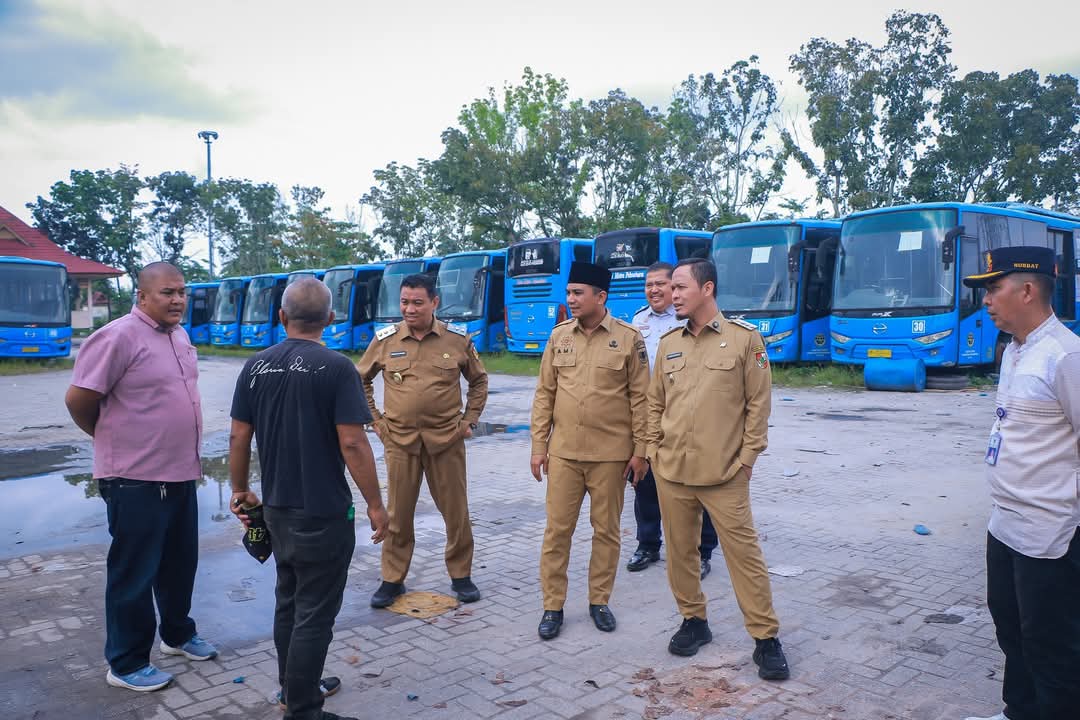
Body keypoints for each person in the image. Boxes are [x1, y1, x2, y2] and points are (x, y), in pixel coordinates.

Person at [228, 278, 389, 720]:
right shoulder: (337, 368)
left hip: (277, 510)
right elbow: (353, 442)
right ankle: (302, 709)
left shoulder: (255, 366)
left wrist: (240, 489)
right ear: (331, 319)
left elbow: (239, 435)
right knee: (315, 613)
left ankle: (292, 688)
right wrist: (376, 504)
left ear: (282, 317)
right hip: (323, 513)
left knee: (290, 600)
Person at [64, 262, 217, 693]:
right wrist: (111, 438)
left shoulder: (179, 336)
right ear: (143, 296)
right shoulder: (117, 337)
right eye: (168, 292)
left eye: (182, 292)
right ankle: (126, 663)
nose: (178, 299)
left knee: (179, 564)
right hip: (134, 478)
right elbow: (78, 400)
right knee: (134, 573)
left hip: (180, 472)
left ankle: (177, 635)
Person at [647, 258, 789, 680]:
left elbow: (758, 405)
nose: (671, 295)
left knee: (744, 556)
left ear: (707, 289)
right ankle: (694, 621)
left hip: (725, 473)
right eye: (670, 288)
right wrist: (653, 450)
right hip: (672, 471)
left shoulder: (744, 340)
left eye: (679, 287)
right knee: (680, 554)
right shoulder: (669, 343)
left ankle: (765, 639)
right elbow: (655, 402)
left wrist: (747, 460)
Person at [959, 247, 1080, 720]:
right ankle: (1019, 712)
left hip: (1050, 535)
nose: (986, 300)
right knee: (1011, 632)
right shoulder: (1014, 350)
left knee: (1052, 646)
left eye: (993, 288)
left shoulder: (1066, 356)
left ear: (1027, 290)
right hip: (1005, 523)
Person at [530, 261, 650, 640]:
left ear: (601, 296)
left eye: (578, 293)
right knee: (557, 533)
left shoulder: (629, 338)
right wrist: (538, 446)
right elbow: (545, 394)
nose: (571, 299)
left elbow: (642, 400)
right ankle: (553, 606)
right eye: (569, 292)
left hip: (611, 457)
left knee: (607, 532)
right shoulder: (559, 336)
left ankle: (600, 601)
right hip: (564, 454)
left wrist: (641, 451)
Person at [357, 272, 488, 608]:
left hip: (447, 440)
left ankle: (461, 576)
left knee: (456, 512)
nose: (409, 309)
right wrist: (376, 421)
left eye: (417, 302)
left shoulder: (456, 340)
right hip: (400, 441)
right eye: (404, 302)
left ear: (434, 302)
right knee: (398, 514)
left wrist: (469, 420)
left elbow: (479, 381)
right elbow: (360, 380)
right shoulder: (385, 340)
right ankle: (392, 580)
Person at [628, 261, 719, 579]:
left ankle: (702, 551)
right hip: (648, 414)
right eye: (648, 284)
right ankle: (648, 544)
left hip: (685, 413)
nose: (654, 290)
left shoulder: (688, 319)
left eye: (661, 284)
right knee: (645, 483)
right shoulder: (638, 321)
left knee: (698, 483)